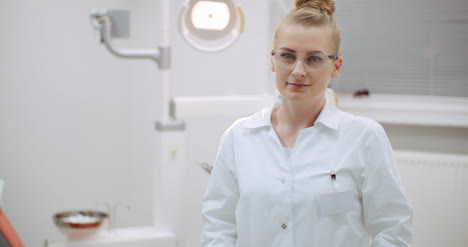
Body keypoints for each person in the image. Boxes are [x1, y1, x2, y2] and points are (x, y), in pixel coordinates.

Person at [200, 0, 413, 246]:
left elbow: (393, 228)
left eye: (313, 59)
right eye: (287, 56)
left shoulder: (364, 137)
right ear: (272, 61)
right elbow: (218, 227)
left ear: (336, 66)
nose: (298, 70)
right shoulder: (238, 137)